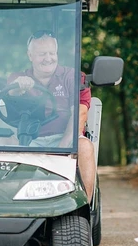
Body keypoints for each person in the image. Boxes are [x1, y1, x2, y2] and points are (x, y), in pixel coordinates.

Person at [6, 30, 97, 200]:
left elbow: (80, 114)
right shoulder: (19, 77)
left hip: (65, 139)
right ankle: (5, 204)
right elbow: (11, 92)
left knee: (85, 147)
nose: (48, 58)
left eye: (51, 53)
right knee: (3, 142)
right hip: (28, 140)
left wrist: (62, 148)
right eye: (41, 54)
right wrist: (19, 87)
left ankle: (85, 206)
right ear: (30, 55)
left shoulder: (73, 77)